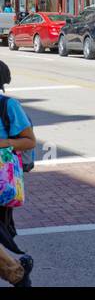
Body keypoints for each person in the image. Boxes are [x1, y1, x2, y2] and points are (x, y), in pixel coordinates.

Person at [0, 60, 35, 287]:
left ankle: (17, 273)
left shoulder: (8, 105)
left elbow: (29, 141)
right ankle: (17, 271)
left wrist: (5, 143)